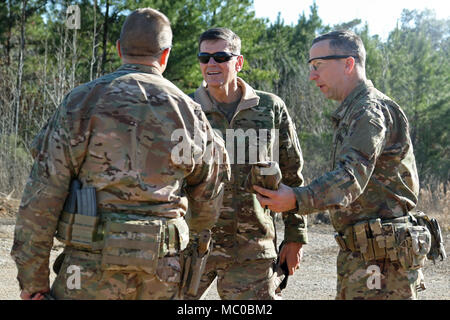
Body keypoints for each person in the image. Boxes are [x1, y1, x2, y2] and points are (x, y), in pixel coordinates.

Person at [10, 8, 229, 300]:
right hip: (162, 274)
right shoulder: (190, 113)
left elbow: (41, 199)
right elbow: (209, 198)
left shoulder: (80, 103)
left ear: (119, 49)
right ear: (165, 55)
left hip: (87, 273)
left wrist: (32, 282)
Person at [254, 30, 426, 300]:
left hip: (381, 262)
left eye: (317, 66)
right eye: (310, 67)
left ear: (348, 63)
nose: (312, 75)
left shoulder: (369, 111)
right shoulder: (354, 111)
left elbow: (350, 177)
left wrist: (296, 199)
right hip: (368, 254)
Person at [185, 27, 307, 300]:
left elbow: (292, 175)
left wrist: (295, 234)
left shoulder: (270, 108)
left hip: (252, 249)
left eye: (220, 56)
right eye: (204, 58)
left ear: (238, 62)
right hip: (193, 246)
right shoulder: (185, 109)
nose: (211, 64)